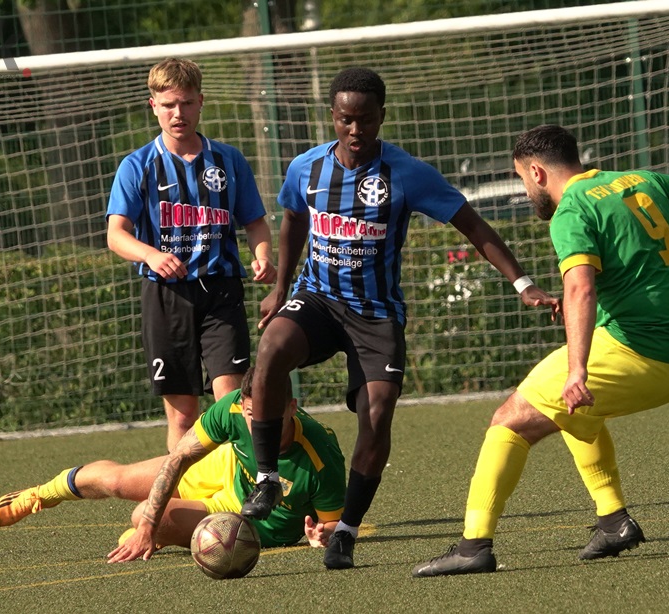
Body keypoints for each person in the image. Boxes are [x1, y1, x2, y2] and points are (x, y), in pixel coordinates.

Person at [240, 67, 560, 570]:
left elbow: (472, 225)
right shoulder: (306, 168)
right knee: (271, 348)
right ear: (332, 116)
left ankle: (345, 531)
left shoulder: (407, 174)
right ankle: (266, 480)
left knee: (377, 413)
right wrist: (280, 289)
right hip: (318, 299)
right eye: (346, 120)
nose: (355, 130)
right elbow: (294, 219)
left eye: (366, 120)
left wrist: (524, 284)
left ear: (381, 117)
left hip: (375, 315)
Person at [412, 124, 669, 577]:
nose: (525, 191)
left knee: (509, 419)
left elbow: (580, 288)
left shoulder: (571, 209)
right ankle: (614, 522)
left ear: (537, 172)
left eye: (521, 179)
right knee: (575, 413)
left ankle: (473, 546)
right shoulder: (642, 180)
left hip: (641, 351)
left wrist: (577, 370)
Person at [0, 367, 346, 562]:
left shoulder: (321, 455)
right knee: (119, 483)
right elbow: (179, 457)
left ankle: (160, 536)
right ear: (242, 405)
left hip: (248, 520)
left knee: (142, 515)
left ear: (292, 407)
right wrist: (148, 527)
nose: (259, 426)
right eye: (252, 415)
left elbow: (332, 523)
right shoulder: (232, 407)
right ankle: (42, 494)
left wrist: (321, 534)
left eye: (271, 417)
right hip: (224, 466)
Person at [105, 57, 276, 451]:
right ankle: (184, 487)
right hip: (166, 297)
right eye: (168, 105)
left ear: (201, 101)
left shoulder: (229, 160)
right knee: (183, 415)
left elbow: (255, 223)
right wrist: (150, 255)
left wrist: (263, 255)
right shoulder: (137, 166)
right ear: (154, 106)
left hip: (221, 291)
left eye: (185, 103)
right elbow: (116, 234)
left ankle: (244, 483)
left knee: (231, 403)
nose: (177, 113)